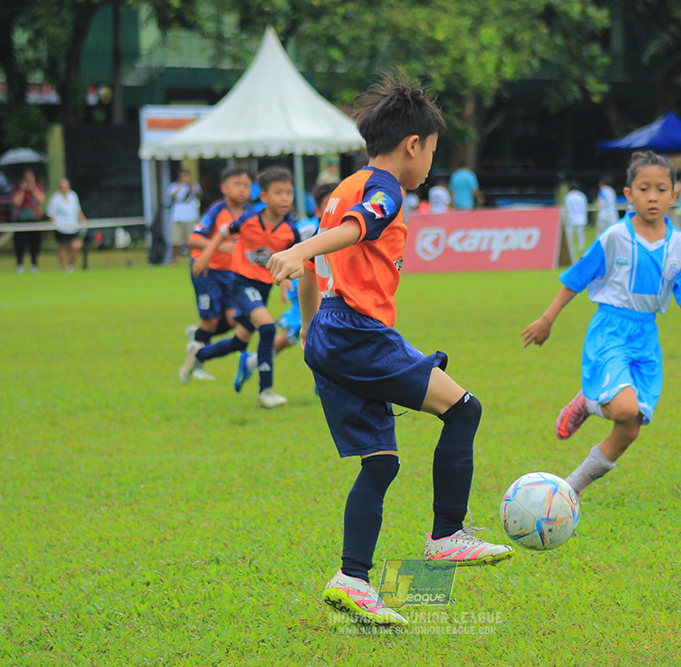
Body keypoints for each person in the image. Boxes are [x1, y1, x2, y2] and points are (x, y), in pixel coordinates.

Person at [267, 70, 514, 628]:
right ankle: (447, 536)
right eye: (432, 150)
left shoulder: (341, 188)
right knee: (465, 409)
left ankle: (351, 580)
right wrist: (303, 253)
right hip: (358, 333)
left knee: (380, 464)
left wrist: (309, 331)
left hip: (330, 332)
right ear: (413, 145)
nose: (431, 163)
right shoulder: (384, 190)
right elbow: (355, 231)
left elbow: (314, 267)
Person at [520, 151, 681, 500]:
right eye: (643, 189)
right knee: (623, 408)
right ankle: (590, 402)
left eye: (661, 189)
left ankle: (571, 490)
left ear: (674, 194)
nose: (652, 196)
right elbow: (576, 279)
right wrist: (547, 319)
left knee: (632, 425)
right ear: (629, 195)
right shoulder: (614, 237)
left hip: (646, 337)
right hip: (610, 329)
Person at [187, 166, 300, 408]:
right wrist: (206, 254)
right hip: (240, 283)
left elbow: (291, 257)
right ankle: (266, 391)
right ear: (264, 196)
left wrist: (285, 282)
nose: (285, 199)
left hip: (263, 289)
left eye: (289, 193)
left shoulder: (291, 230)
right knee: (268, 328)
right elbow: (223, 231)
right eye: (278, 193)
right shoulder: (249, 220)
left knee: (239, 342)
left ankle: (198, 355)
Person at [238, 182, 337, 384]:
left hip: (324, 285)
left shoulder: (342, 229)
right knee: (312, 331)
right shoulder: (307, 228)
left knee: (305, 334)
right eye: (329, 205)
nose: (334, 210)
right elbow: (286, 251)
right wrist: (284, 282)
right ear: (317, 209)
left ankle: (251, 362)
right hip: (302, 285)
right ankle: (326, 379)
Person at [182, 165, 253, 384]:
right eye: (237, 184)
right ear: (224, 187)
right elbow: (194, 239)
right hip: (206, 270)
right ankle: (198, 365)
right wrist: (224, 247)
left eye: (247, 185)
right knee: (211, 320)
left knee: (234, 319)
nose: (242, 189)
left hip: (230, 273)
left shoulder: (250, 215)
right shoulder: (216, 210)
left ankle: (197, 337)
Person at [46, 178, 86, 272]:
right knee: (62, 247)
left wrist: (83, 220)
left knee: (75, 246)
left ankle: (71, 267)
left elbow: (78, 211)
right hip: (61, 228)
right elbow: (51, 214)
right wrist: (55, 225)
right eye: (62, 187)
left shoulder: (73, 196)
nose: (64, 189)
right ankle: (64, 269)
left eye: (66, 187)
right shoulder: (55, 198)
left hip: (73, 226)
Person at [12, 168, 46, 274]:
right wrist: (23, 189)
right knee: (20, 242)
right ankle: (20, 264)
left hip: (34, 218)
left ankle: (34, 264)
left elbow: (41, 200)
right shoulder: (19, 188)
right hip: (22, 219)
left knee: (35, 242)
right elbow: (16, 202)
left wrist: (34, 189)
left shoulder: (37, 187)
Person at [167, 169, 203, 265]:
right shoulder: (174, 186)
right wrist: (181, 185)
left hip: (191, 216)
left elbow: (199, 195)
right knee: (175, 239)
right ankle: (175, 259)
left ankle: (193, 258)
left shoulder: (194, 186)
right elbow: (171, 196)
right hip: (177, 216)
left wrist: (190, 185)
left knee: (192, 239)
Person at [561, 182, 589, 262]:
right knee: (581, 235)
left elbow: (567, 209)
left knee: (570, 236)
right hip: (581, 217)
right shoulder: (582, 195)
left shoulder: (568, 197)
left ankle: (571, 249)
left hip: (571, 218)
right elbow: (585, 207)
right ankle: (581, 248)